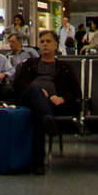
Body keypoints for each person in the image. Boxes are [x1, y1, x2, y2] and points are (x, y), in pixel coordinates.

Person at [13, 29, 82, 175]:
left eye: (48, 42)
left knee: (39, 117)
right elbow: (18, 85)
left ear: (56, 45)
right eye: (42, 42)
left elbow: (76, 92)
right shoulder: (30, 64)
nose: (45, 45)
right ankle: (47, 118)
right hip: (30, 100)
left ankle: (38, 164)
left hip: (53, 104)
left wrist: (62, 98)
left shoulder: (64, 68)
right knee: (36, 94)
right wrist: (38, 92)